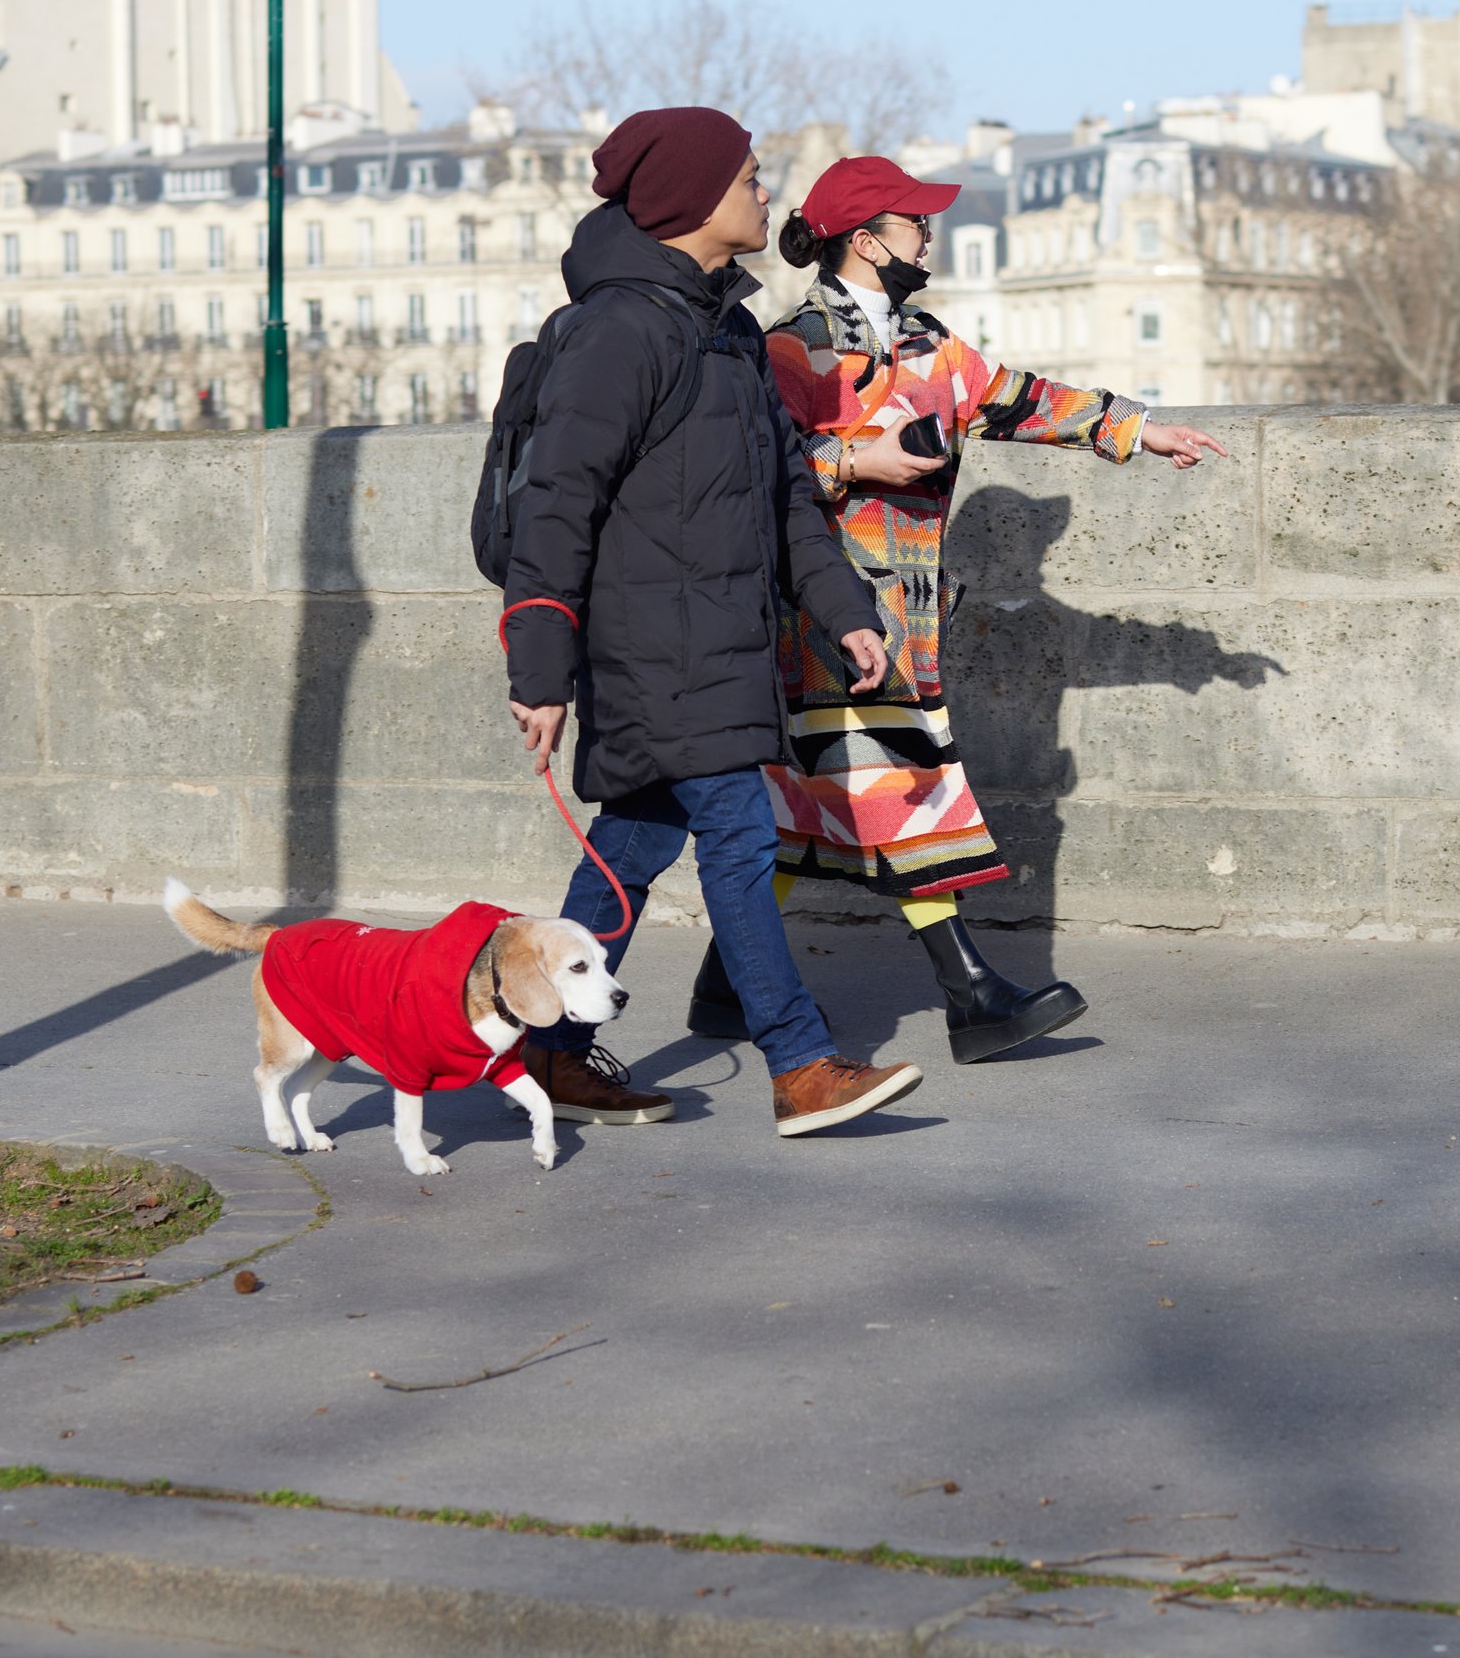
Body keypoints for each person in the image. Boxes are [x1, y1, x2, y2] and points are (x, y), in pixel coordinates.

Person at [685, 156, 1230, 1066]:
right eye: (916, 223)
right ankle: (972, 996)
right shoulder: (793, 347)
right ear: (866, 240)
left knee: (810, 807)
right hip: (831, 619)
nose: (929, 237)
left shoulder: (933, 343)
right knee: (908, 789)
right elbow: (753, 472)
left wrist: (1141, 429)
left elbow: (1022, 399)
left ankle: (721, 986)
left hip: (908, 621)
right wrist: (857, 463)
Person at [501, 109, 925, 1139]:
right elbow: (555, 502)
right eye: (749, 177)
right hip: (648, 649)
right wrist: (540, 667)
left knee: (631, 848)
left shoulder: (729, 330)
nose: (766, 192)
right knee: (737, 832)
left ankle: (547, 1054)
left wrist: (844, 614)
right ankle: (798, 1061)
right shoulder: (620, 331)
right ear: (691, 200)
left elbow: (786, 494)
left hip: (718, 643)